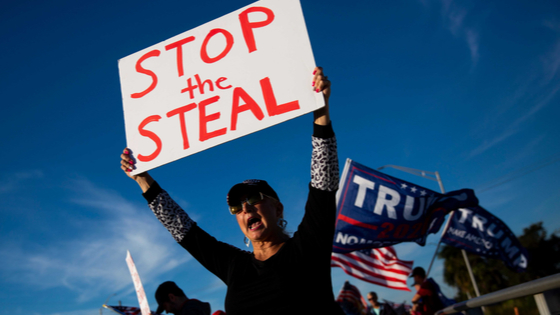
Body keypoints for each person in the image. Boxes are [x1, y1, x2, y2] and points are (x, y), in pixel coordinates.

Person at [120, 67, 344, 315]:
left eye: (253, 198)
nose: (245, 208)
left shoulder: (308, 247)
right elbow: (184, 230)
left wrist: (320, 111)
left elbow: (323, 185)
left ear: (277, 208)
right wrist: (142, 180)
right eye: (236, 207)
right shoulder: (234, 266)